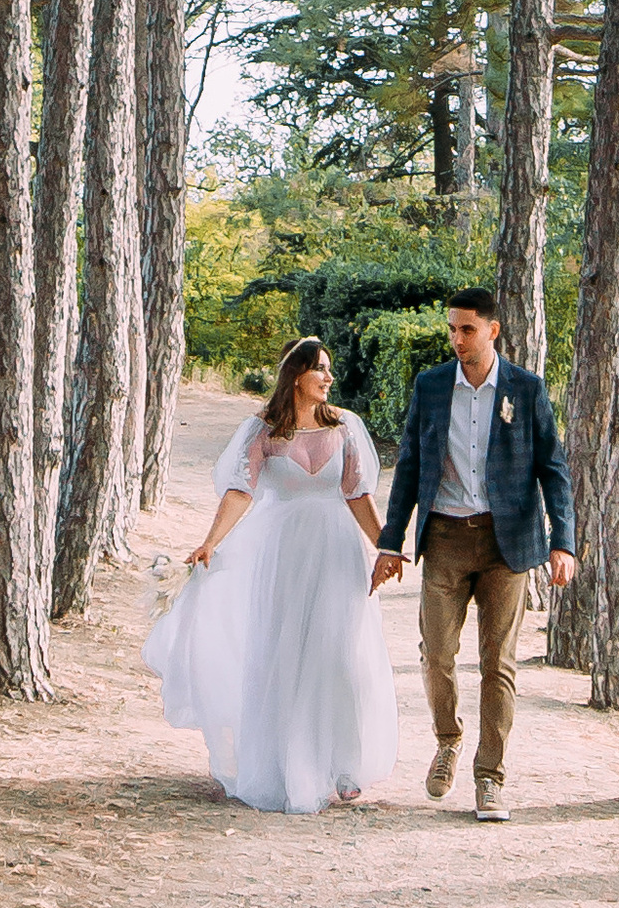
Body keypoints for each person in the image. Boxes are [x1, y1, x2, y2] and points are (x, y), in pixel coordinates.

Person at [145, 337, 399, 814]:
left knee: (340, 652)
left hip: (336, 553)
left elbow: (357, 495)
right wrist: (211, 541)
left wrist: (384, 545)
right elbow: (240, 492)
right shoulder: (261, 431)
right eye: (320, 369)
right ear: (296, 375)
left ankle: (342, 763)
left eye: (329, 369)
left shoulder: (345, 427)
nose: (328, 378)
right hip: (282, 555)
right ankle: (281, 762)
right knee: (282, 651)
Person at [372, 288, 577, 823]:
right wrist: (391, 542)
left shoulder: (526, 389)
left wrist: (563, 542)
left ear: (493, 330)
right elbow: (411, 466)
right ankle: (448, 740)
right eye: (451, 330)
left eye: (467, 329)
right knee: (436, 653)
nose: (457, 340)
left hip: (506, 544)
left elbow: (553, 468)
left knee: (498, 666)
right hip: (443, 538)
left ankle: (491, 779)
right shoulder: (432, 385)